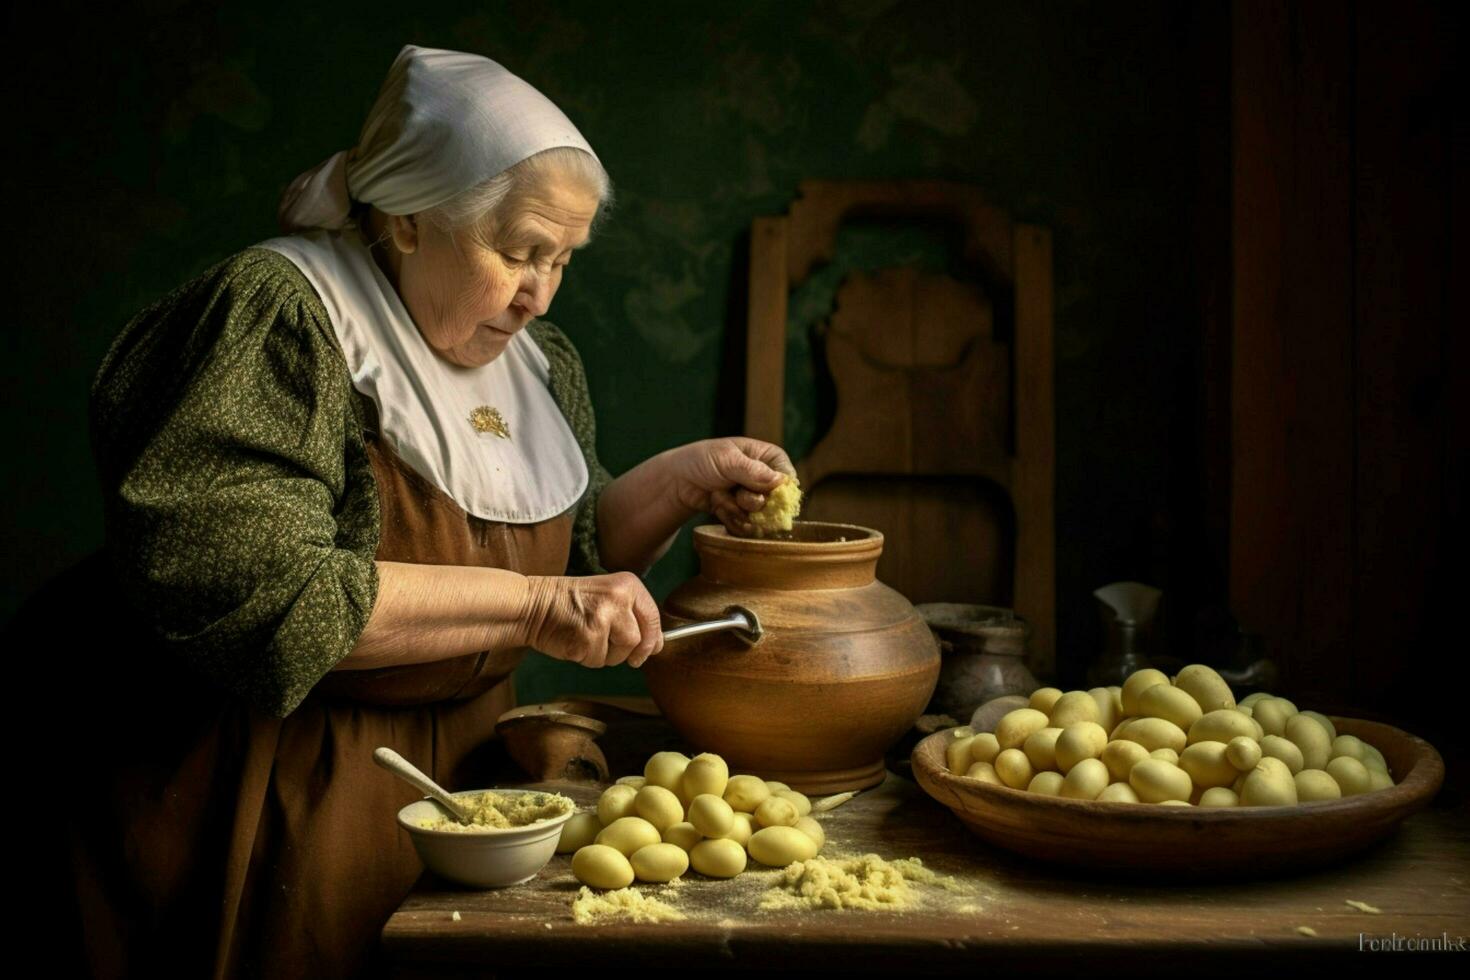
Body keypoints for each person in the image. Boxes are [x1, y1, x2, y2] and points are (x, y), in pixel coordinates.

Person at [61, 44, 792, 978]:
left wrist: (686, 481)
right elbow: (271, 595)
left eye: (562, 260)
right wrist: (534, 610)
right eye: (520, 252)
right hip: (256, 788)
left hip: (456, 781)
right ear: (407, 219)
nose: (539, 294)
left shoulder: (540, 361)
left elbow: (574, 555)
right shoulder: (281, 316)